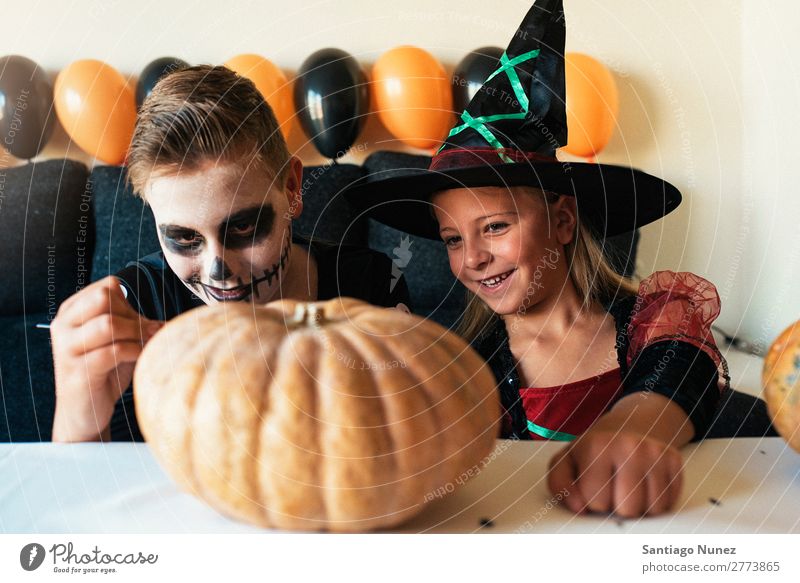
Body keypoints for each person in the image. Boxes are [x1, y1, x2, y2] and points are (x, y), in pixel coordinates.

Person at [344, 0, 728, 518]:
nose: (474, 259)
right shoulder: (468, 363)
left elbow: (679, 369)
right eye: (453, 240)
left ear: (564, 221)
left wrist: (631, 426)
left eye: (496, 227)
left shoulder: (653, 320)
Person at [51, 65, 410, 443]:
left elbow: (406, 450)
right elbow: (98, 487)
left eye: (242, 227)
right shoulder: (135, 309)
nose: (217, 268)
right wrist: (80, 412)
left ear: (291, 189)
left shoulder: (371, 288)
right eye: (184, 238)